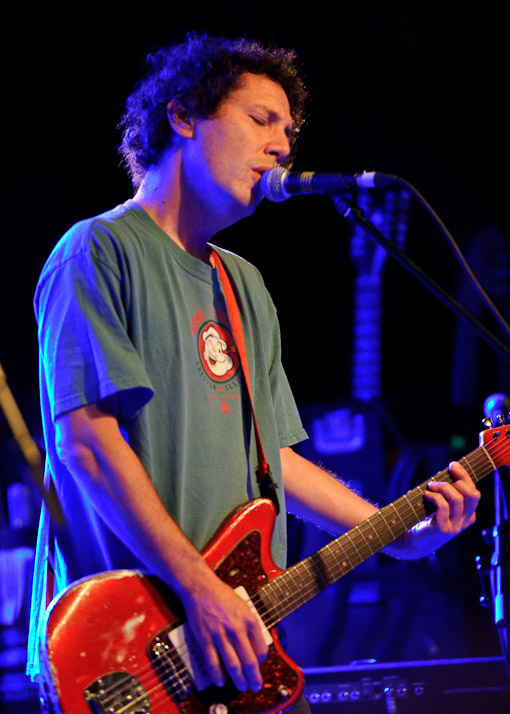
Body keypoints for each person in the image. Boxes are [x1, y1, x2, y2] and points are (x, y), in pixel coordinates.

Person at [28, 32, 481, 709]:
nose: (283, 145)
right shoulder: (97, 251)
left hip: (231, 651)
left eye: (290, 131)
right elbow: (87, 444)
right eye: (260, 119)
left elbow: (277, 460)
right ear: (182, 117)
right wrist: (199, 587)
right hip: (125, 654)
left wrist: (398, 532)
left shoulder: (243, 285)